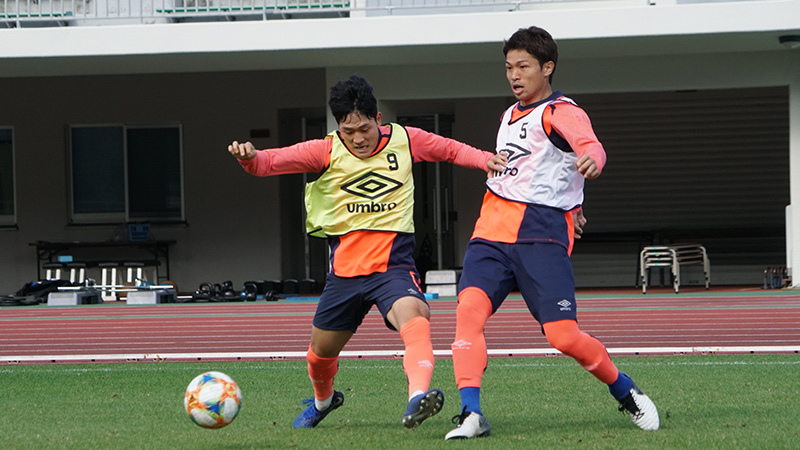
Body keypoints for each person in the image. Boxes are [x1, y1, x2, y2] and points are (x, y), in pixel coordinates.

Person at [228, 74, 506, 430]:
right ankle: (324, 401)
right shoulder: (326, 149)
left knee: (416, 317)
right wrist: (249, 158)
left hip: (392, 268)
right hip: (344, 276)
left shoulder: (406, 140)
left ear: (378, 118)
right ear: (338, 128)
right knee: (319, 355)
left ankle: (417, 398)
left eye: (364, 128)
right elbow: (268, 163)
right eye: (348, 131)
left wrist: (485, 160)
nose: (358, 138)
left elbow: (450, 149)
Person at [444, 26, 660, 440]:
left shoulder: (561, 111)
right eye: (509, 67)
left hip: (540, 235)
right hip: (490, 232)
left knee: (563, 336)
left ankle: (626, 391)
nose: (514, 75)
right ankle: (471, 413)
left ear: (547, 67)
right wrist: (574, 201)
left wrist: (592, 162)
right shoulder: (508, 115)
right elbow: (538, 171)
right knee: (468, 313)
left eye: (523, 66)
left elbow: (590, 146)